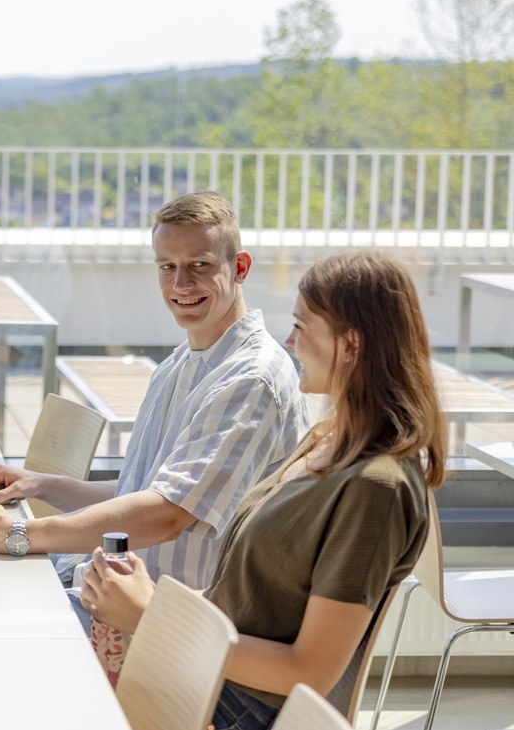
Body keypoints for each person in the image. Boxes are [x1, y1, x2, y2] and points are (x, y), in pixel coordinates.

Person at [81, 251, 445, 726]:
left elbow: (309, 670)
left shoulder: (376, 488)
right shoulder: (325, 440)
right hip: (203, 680)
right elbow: (247, 602)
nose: (290, 342)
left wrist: (154, 617)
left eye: (302, 326)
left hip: (235, 709)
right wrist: (151, 602)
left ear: (350, 344)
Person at [0, 191, 308, 598]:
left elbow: (167, 514)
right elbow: (143, 492)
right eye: (167, 266)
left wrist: (15, 534)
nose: (180, 283)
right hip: (107, 592)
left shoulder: (250, 380)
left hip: (163, 623)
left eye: (199, 266)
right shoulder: (180, 363)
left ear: (239, 267)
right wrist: (44, 485)